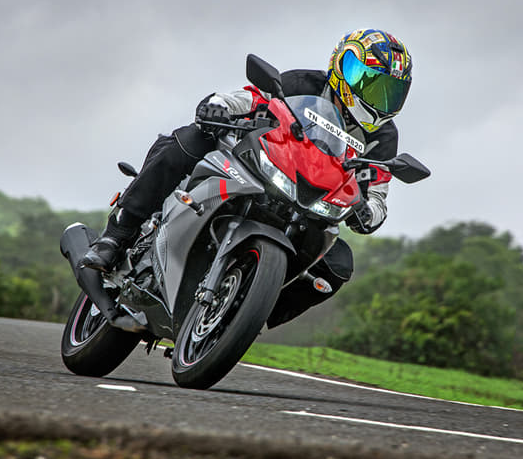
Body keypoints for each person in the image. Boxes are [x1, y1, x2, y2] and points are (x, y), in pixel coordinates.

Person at [79, 29, 413, 324]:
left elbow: (378, 193)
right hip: (265, 166)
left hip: (311, 203)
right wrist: (219, 105)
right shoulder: (304, 84)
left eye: (388, 91)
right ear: (343, 67)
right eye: (369, 81)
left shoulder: (384, 138)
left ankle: (244, 313)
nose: (378, 96)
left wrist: (368, 211)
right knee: (188, 140)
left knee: (338, 264)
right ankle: (117, 234)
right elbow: (253, 96)